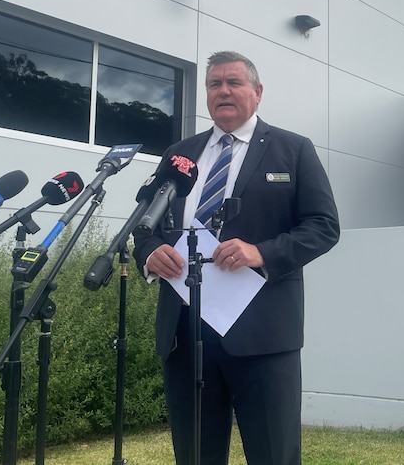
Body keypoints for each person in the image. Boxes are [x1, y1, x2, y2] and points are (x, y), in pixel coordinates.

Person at [133, 51, 340, 465]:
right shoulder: (181, 153)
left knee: (273, 454)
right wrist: (149, 252)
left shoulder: (293, 149)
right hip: (185, 331)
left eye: (234, 82)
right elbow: (144, 223)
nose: (223, 91)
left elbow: (323, 226)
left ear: (257, 92)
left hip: (262, 334)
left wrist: (260, 252)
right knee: (194, 455)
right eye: (214, 84)